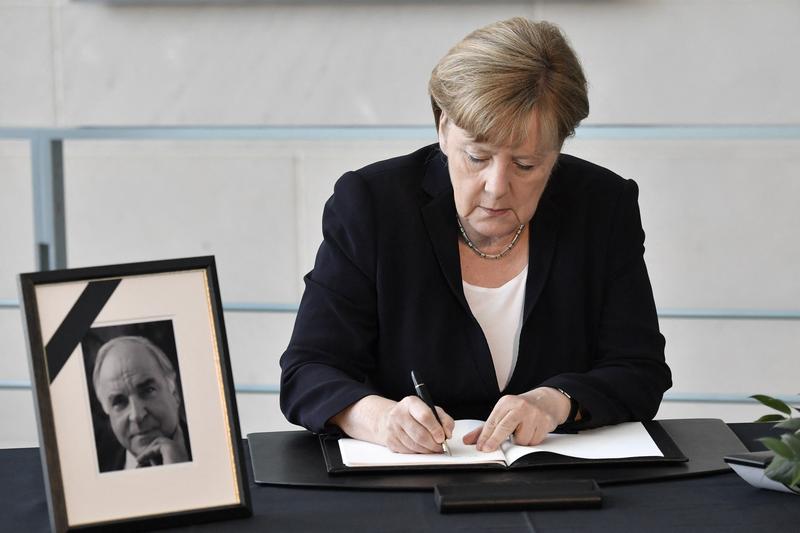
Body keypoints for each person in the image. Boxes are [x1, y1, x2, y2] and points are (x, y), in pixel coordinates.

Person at [280, 17, 671, 455]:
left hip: (564, 485)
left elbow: (640, 369)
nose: (497, 186)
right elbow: (308, 370)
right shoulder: (371, 205)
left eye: (526, 165)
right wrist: (380, 418)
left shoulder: (602, 205)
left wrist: (556, 402)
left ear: (558, 149)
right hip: (407, 488)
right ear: (443, 128)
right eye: (477, 156)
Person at [92, 335, 191, 470]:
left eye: (148, 391)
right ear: (107, 410)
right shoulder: (98, 468)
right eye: (119, 401)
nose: (137, 415)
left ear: (175, 393)